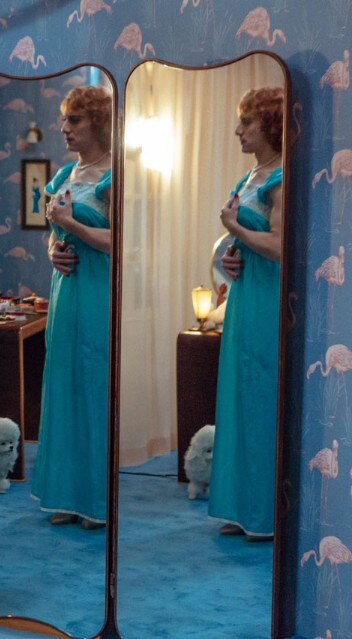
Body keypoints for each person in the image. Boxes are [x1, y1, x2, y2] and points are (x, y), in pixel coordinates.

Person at [32, 86, 113, 530]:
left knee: (93, 385)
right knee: (63, 384)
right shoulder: (65, 174)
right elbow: (55, 231)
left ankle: (95, 498)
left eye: (74, 120)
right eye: (64, 119)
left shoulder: (114, 174)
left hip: (98, 290)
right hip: (65, 291)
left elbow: (120, 241)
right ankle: (65, 492)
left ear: (98, 123)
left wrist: (68, 224)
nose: (64, 128)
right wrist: (52, 247)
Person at [210, 87, 284, 541]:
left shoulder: (282, 176)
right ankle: (240, 507)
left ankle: (263, 513)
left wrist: (235, 228)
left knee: (260, 396)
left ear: (270, 126)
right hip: (243, 296)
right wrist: (231, 253)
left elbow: (280, 246)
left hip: (267, 299)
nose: (238, 130)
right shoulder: (250, 176)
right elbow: (246, 242)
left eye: (247, 122)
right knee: (238, 395)